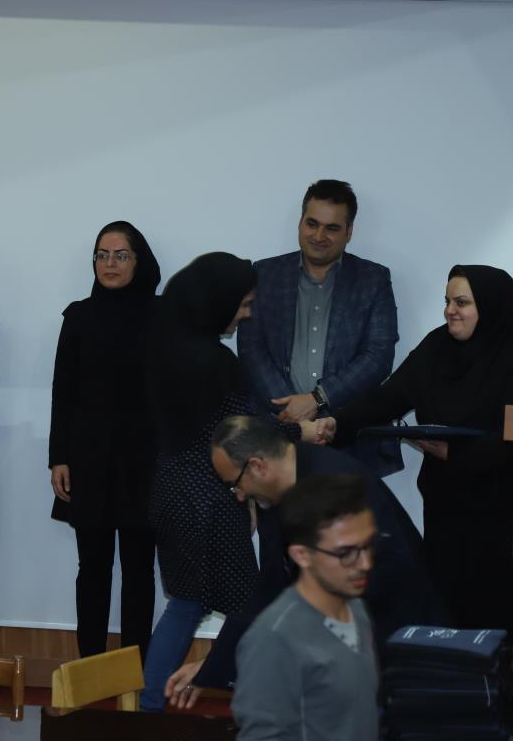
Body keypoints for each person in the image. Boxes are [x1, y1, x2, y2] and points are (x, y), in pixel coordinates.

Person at [309, 265, 513, 637]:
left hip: (502, 514)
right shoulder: (436, 347)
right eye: (447, 301)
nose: (450, 311)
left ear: (490, 307)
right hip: (447, 507)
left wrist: (456, 454)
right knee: (445, 610)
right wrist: (336, 423)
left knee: (497, 615)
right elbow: (388, 398)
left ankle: (500, 676)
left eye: (462, 302)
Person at [165, 414, 446, 706]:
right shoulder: (277, 490)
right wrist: (212, 666)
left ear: (257, 466)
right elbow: (270, 587)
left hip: (395, 647)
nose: (239, 496)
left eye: (235, 485)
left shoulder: (334, 491)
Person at [141, 251, 288, 712]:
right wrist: (302, 431)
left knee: (185, 604)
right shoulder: (216, 361)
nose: (245, 314)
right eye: (242, 304)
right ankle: (254, 710)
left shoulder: (162, 348)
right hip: (211, 500)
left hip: (169, 493)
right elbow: (241, 435)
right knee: (249, 607)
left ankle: (149, 709)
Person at [48, 221, 160, 659]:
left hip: (145, 463)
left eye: (121, 255)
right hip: (89, 461)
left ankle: (137, 671)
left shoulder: (163, 316)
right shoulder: (79, 316)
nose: (109, 264)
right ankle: (89, 668)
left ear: (139, 261)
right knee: (92, 569)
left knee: (139, 571)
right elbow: (63, 391)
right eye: (102, 255)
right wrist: (59, 458)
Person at [236, 179, 400, 472]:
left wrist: (317, 400)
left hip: (345, 433)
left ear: (349, 232)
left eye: (332, 228)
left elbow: (378, 357)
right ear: (300, 223)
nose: (319, 236)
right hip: (275, 432)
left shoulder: (373, 280)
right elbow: (251, 349)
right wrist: (290, 411)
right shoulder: (263, 274)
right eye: (312, 224)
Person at [231, 473, 380, 741]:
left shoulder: (355, 607)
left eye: (368, 546)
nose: (365, 564)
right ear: (302, 555)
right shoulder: (273, 638)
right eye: (346, 553)